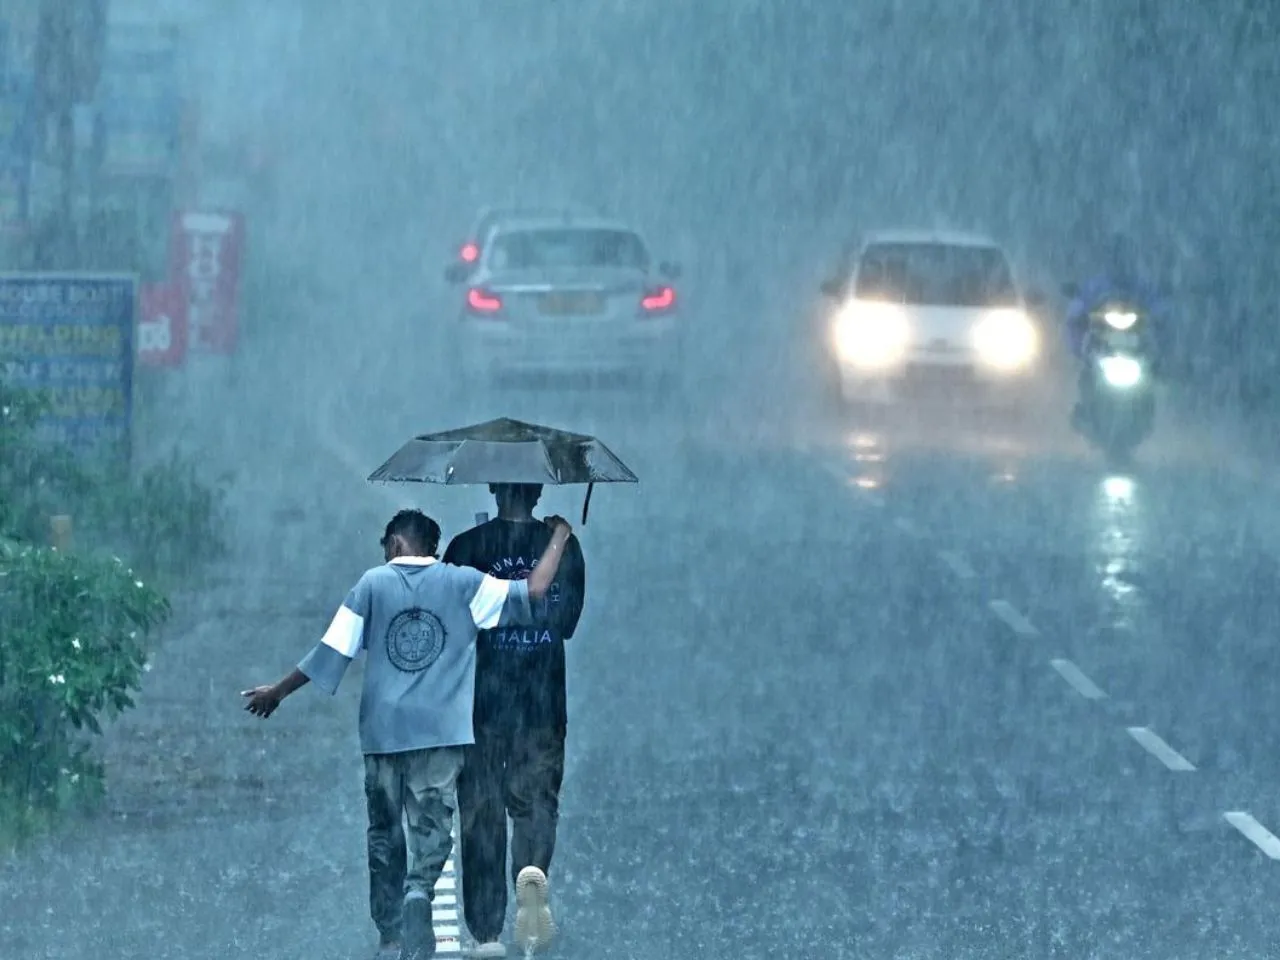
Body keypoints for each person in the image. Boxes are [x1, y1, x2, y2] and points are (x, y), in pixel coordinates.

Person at [242, 507, 575, 960]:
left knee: (383, 833)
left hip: (382, 735)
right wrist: (559, 536)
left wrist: (276, 692)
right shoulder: (461, 583)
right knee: (433, 829)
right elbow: (535, 591)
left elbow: (331, 650)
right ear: (433, 547)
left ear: (395, 544)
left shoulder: (372, 584)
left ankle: (391, 935)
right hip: (439, 735)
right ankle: (419, 891)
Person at [442, 484, 586, 959]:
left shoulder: (466, 546)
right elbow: (565, 623)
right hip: (542, 700)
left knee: (481, 811)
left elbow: (450, 621)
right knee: (536, 800)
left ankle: (486, 933)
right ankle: (532, 870)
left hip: (479, 703)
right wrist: (559, 541)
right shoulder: (563, 547)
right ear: (540, 490)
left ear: (493, 487)